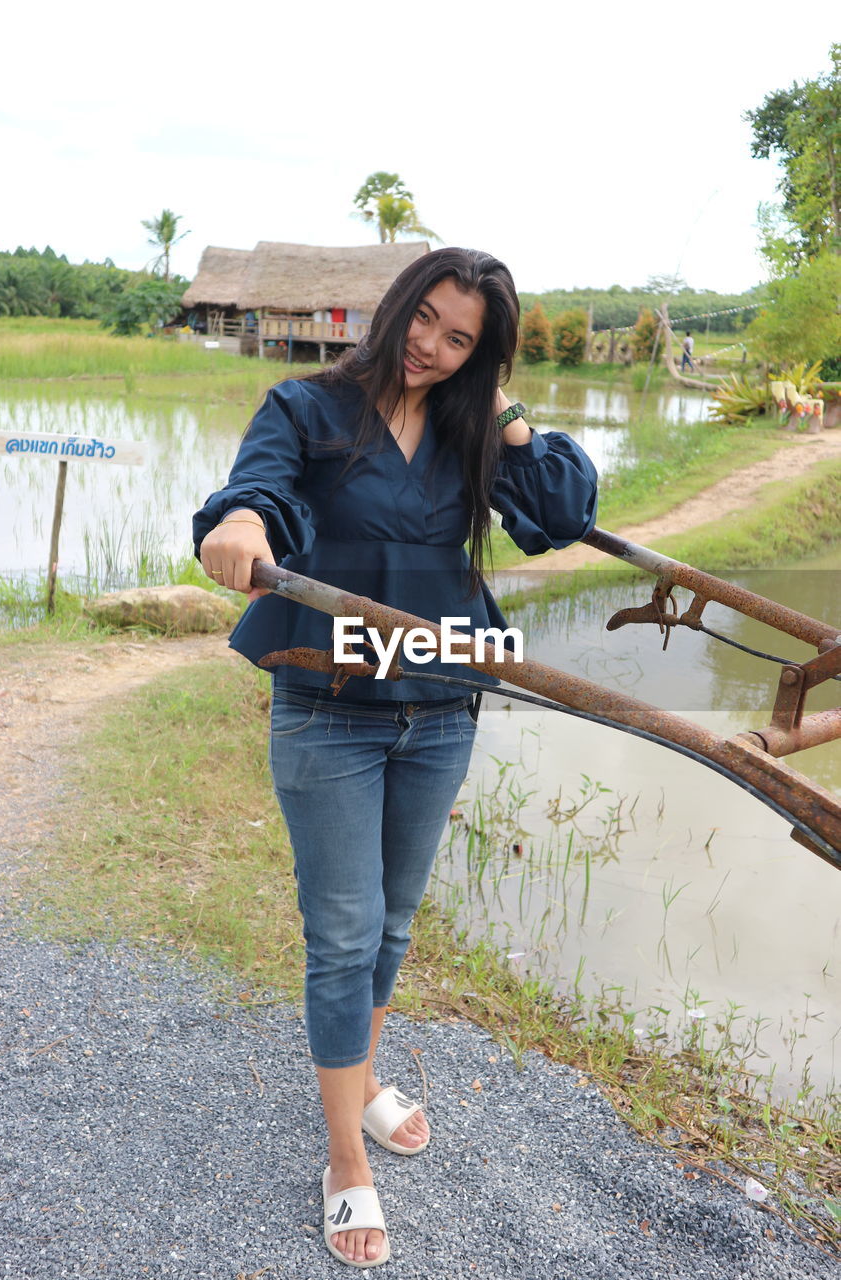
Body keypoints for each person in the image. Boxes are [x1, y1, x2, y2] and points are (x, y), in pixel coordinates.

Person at [193, 248, 598, 1268]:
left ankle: (360, 1075)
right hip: (329, 703)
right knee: (341, 930)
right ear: (395, 305)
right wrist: (240, 523)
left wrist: (496, 400)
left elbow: (556, 514)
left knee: (394, 919)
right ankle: (343, 1156)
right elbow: (263, 492)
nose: (430, 345)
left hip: (441, 702)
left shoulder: (470, 427)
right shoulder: (309, 406)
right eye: (425, 318)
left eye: (461, 337)